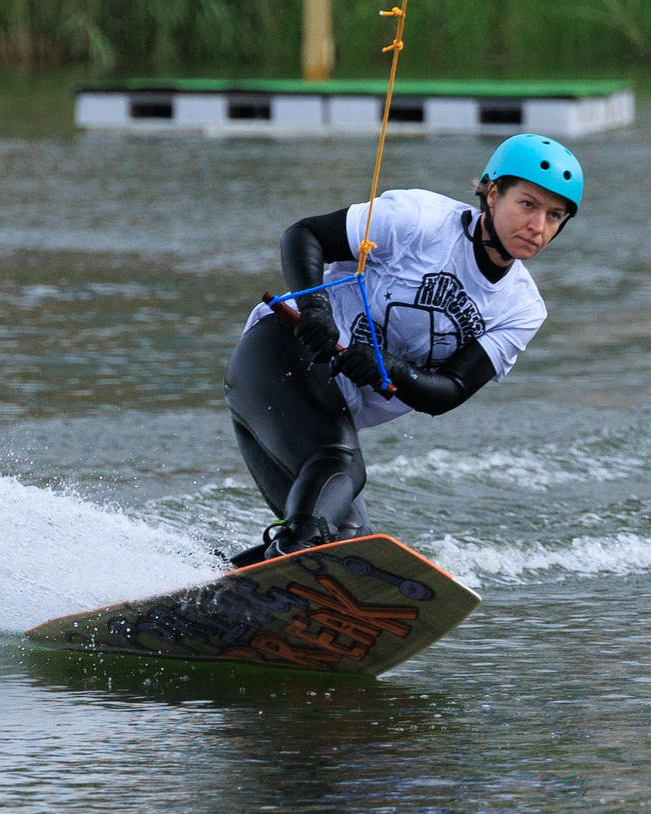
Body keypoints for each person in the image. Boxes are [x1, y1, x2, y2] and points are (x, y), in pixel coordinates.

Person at [223, 133, 582, 567]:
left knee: (349, 545)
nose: (538, 226)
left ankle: (210, 585)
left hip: (329, 408)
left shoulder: (521, 308)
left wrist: (387, 367)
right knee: (340, 466)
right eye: (528, 205)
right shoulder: (420, 219)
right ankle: (293, 553)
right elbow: (304, 235)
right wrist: (316, 309)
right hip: (280, 350)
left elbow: (448, 391)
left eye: (555, 215)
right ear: (492, 193)